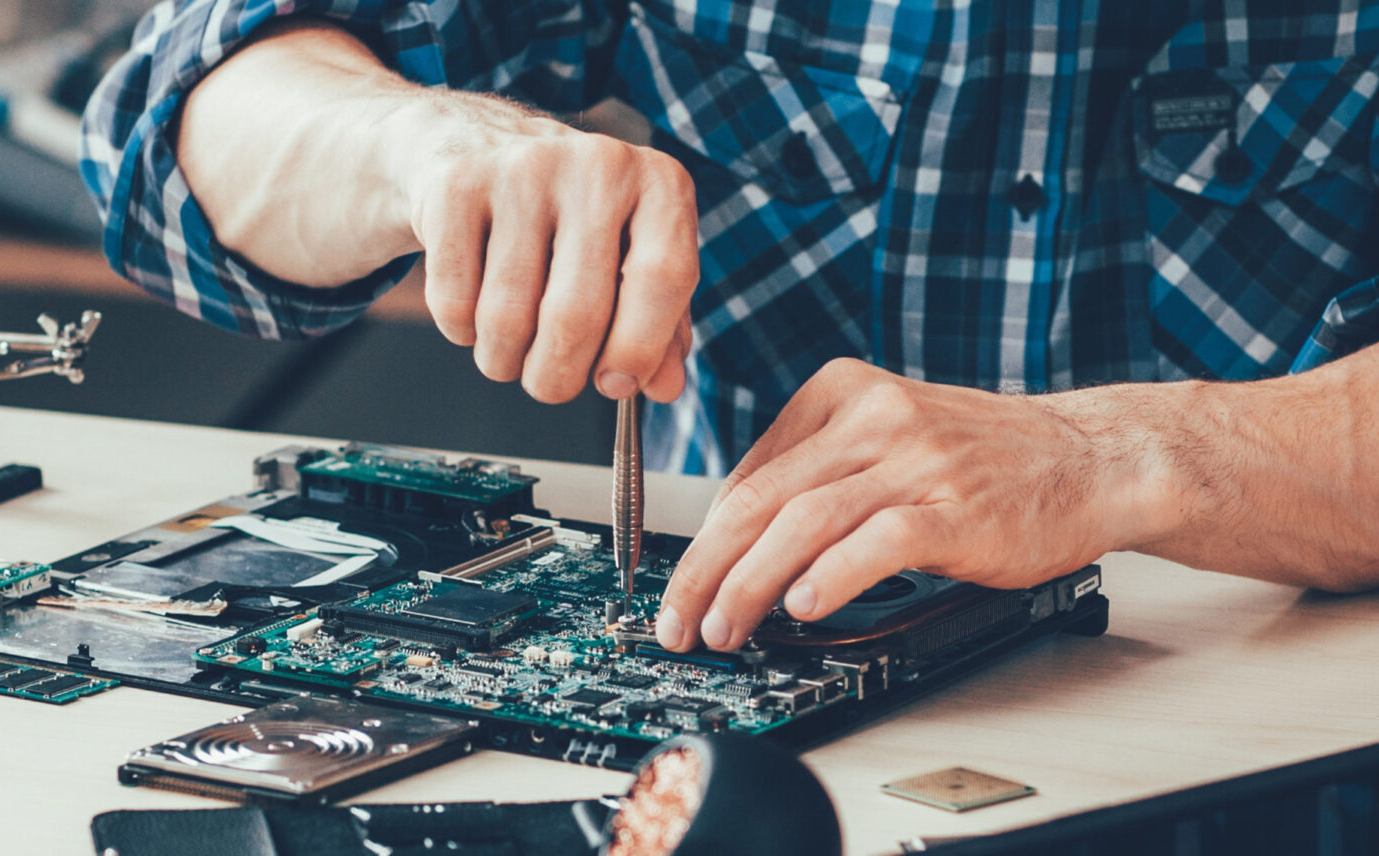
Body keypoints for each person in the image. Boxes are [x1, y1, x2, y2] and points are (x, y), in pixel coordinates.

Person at [81, 1, 1379, 657]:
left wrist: (1129, 457)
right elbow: (170, 136)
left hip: (1291, 736)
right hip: (767, 727)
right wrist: (418, 143)